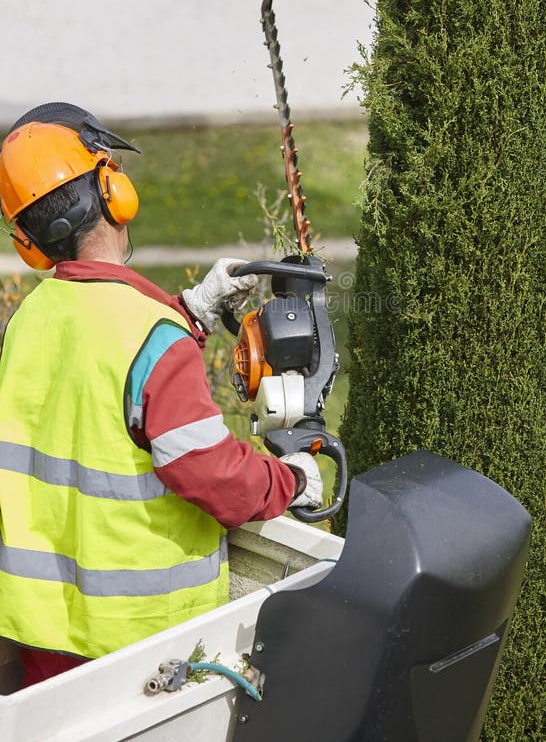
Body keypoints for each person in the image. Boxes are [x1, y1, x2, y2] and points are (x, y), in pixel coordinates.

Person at [0, 102, 323, 687]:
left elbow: (101, 374)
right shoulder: (155, 343)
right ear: (112, 191)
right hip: (140, 650)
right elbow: (212, 474)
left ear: (31, 241)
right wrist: (293, 478)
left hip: (43, 642)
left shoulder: (28, 321)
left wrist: (192, 310)